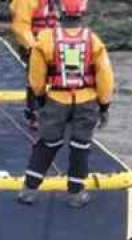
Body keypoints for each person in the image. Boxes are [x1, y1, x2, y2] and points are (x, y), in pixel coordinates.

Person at [16, 0, 112, 209]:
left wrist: (40, 98)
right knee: (80, 147)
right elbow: (105, 76)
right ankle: (76, 194)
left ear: (60, 11)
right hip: (86, 101)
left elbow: (36, 76)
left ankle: (29, 190)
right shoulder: (93, 40)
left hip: (56, 100)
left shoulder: (45, 39)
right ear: (83, 12)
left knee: (47, 144)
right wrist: (104, 105)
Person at [9, 0, 60, 130]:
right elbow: (20, 27)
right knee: (36, 78)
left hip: (51, 43)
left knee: (54, 78)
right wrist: (34, 47)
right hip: (34, 44)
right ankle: (34, 113)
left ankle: (51, 111)